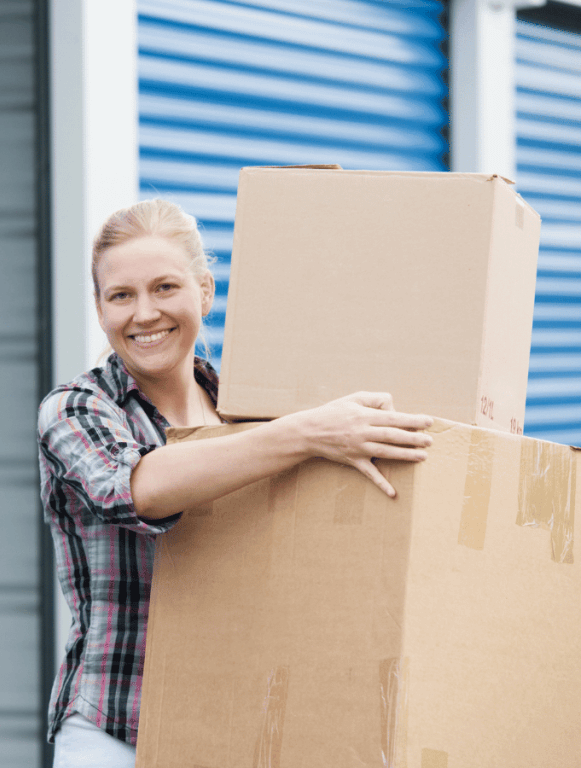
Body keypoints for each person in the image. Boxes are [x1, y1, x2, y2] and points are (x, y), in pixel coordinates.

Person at [37, 199, 433, 767]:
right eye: (121, 296)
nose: (144, 313)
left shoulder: (246, 412)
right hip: (117, 732)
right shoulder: (75, 410)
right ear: (100, 309)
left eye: (165, 287)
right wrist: (307, 433)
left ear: (205, 292)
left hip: (234, 729)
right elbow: (133, 487)